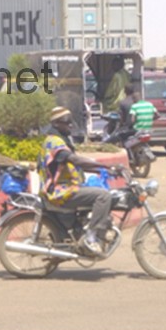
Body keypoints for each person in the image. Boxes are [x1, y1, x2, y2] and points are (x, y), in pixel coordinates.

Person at [38, 106, 118, 255]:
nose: (71, 125)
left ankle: (84, 230)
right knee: (103, 196)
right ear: (56, 124)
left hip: (65, 187)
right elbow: (75, 160)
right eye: (66, 122)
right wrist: (104, 165)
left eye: (71, 121)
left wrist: (105, 170)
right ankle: (91, 237)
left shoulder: (59, 139)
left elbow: (74, 166)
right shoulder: (56, 143)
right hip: (60, 191)